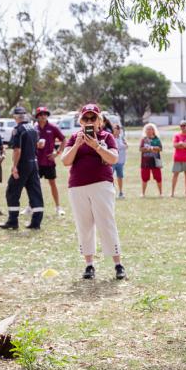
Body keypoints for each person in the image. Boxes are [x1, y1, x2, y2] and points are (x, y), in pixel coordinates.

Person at [62, 104, 125, 280]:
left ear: (99, 121)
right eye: (86, 118)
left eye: (93, 118)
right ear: (81, 121)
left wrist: (97, 146)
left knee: (106, 223)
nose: (89, 121)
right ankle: (89, 265)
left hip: (101, 184)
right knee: (84, 225)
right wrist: (77, 145)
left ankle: (118, 264)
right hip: (77, 186)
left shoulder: (107, 137)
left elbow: (114, 158)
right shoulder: (74, 137)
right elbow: (65, 161)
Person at [0, 106, 44, 230]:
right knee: (35, 192)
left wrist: (14, 166)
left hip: (23, 164)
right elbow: (36, 145)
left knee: (12, 191)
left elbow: (17, 150)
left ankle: (12, 221)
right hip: (34, 163)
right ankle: (36, 222)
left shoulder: (18, 130)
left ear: (15, 117)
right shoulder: (33, 129)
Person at [34, 106, 66, 215]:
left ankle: (58, 207)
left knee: (53, 184)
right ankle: (31, 206)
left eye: (45, 114)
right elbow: (29, 143)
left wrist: (57, 153)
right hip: (36, 162)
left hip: (49, 162)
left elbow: (64, 139)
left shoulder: (53, 127)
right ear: (37, 116)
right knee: (34, 185)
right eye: (41, 114)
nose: (43, 116)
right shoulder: (34, 128)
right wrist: (36, 145)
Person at [139, 123, 163, 196]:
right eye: (148, 129)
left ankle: (161, 193)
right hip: (145, 161)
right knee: (144, 177)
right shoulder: (143, 139)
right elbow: (141, 149)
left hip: (156, 161)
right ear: (145, 131)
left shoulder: (157, 139)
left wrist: (151, 148)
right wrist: (150, 149)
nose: (149, 131)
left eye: (151, 129)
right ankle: (143, 193)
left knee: (158, 177)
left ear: (153, 130)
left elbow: (160, 148)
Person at [108, 117, 128, 198]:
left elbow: (126, 146)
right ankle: (111, 192)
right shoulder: (110, 138)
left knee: (120, 177)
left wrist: (122, 146)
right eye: (116, 128)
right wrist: (122, 147)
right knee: (110, 177)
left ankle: (121, 192)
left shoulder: (122, 138)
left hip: (120, 161)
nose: (118, 130)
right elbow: (116, 147)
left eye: (119, 128)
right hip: (112, 161)